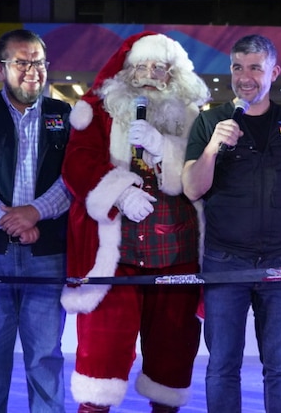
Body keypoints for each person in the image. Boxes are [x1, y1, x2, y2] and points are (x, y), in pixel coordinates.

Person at [61, 32, 210, 413]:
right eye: (139, 66)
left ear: (172, 74)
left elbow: (204, 177)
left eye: (157, 67)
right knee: (100, 362)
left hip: (177, 253)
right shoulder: (100, 109)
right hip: (116, 256)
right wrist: (121, 193)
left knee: (171, 359)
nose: (147, 74)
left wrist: (166, 150)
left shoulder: (193, 116)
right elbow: (76, 164)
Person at [183, 34, 281, 413]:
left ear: (274, 72)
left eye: (255, 67)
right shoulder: (209, 121)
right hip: (224, 262)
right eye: (237, 67)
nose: (245, 76)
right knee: (222, 367)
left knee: (280, 368)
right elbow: (192, 188)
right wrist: (214, 146)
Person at [0, 29, 70, 412]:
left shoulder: (65, 116)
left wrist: (35, 212)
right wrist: (9, 220)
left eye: (38, 61)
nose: (32, 70)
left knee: (46, 359)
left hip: (47, 254)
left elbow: (74, 177)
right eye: (21, 62)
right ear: (0, 69)